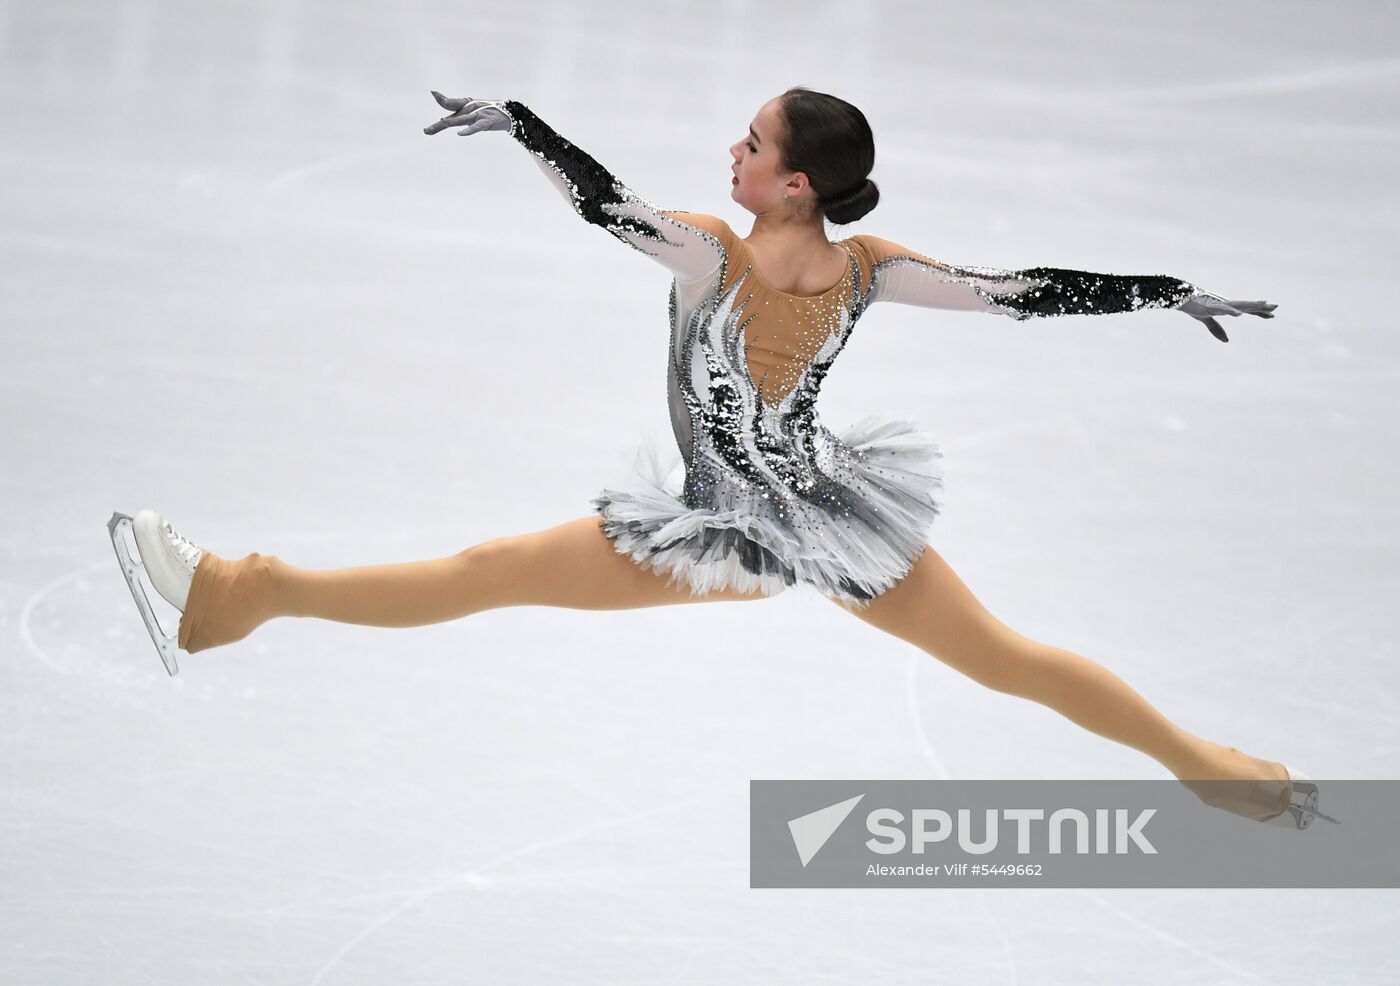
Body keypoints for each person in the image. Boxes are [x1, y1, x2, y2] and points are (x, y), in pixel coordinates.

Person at [108, 86, 1335, 831]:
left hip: (735, 530)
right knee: (1009, 657)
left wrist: (525, 124)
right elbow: (1018, 291)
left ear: (793, 183)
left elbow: (604, 204)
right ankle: (1213, 771)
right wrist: (1163, 290)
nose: (728, 152)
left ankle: (239, 593)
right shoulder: (856, 267)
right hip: (824, 513)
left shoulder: (719, 254)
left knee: (485, 570)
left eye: (749, 142)